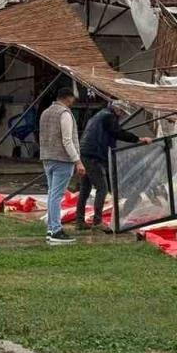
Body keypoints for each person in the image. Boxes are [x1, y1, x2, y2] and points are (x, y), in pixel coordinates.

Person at [77, 100, 150, 232]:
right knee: (102, 188)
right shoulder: (109, 116)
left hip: (85, 153)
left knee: (85, 189)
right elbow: (118, 132)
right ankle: (97, 221)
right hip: (94, 155)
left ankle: (80, 221)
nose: (121, 115)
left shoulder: (100, 114)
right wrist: (139, 139)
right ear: (117, 109)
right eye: (121, 112)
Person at [38, 91, 84, 245]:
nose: (73, 101)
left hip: (47, 157)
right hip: (62, 159)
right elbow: (67, 140)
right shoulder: (64, 113)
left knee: (52, 194)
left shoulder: (45, 112)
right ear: (68, 98)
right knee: (56, 196)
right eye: (72, 98)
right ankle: (56, 230)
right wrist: (77, 160)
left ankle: (51, 229)